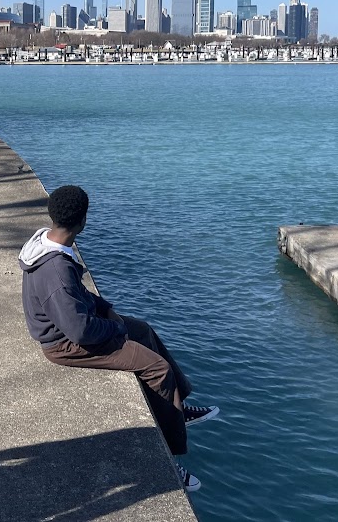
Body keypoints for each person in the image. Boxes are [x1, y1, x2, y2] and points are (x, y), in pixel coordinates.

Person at [19, 185, 218, 492]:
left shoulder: (50, 243)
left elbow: (80, 295)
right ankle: (169, 458)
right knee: (156, 368)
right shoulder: (55, 271)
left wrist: (106, 308)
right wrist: (114, 328)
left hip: (77, 326)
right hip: (65, 345)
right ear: (82, 220)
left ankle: (180, 406)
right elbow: (80, 330)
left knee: (144, 329)